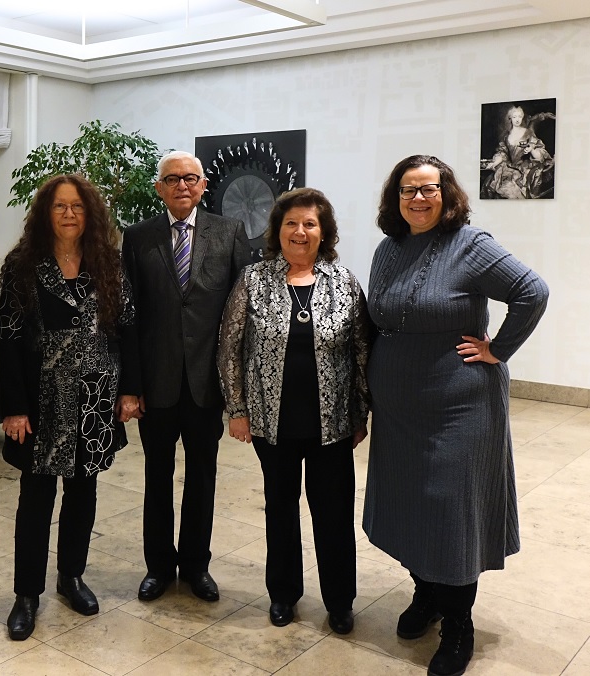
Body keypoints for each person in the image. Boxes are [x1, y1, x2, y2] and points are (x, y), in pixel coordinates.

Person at [363, 155, 549, 676]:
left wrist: (499, 348)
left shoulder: (471, 245)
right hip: (400, 409)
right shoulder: (388, 249)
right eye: (407, 190)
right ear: (394, 198)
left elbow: (532, 291)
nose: (417, 199)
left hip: (458, 405)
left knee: (449, 508)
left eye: (428, 189)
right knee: (411, 503)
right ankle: (426, 594)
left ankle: (458, 623)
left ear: (447, 193)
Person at [217, 188, 371, 633]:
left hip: (333, 425)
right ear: (277, 230)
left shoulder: (343, 281)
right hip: (272, 423)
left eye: (309, 224)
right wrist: (237, 409)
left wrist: (361, 412)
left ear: (324, 232)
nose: (300, 232)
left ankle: (340, 601)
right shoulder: (254, 279)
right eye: (291, 223)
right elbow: (229, 347)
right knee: (280, 510)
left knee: (334, 514)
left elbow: (363, 350)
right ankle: (283, 595)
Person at [0, 174, 140, 641]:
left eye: (77, 206)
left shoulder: (109, 264)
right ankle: (26, 594)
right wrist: (14, 407)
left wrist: (129, 391)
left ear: (90, 213)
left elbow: (129, 330)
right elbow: (10, 339)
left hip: (98, 395)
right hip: (41, 398)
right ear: (45, 213)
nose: (69, 214)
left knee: (83, 492)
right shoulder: (21, 265)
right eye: (59, 206)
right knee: (35, 499)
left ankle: (71, 577)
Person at [121, 151, 250, 603]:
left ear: (202, 185)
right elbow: (128, 318)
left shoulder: (229, 232)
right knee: (156, 478)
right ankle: (158, 566)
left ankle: (196, 565)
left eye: (190, 178)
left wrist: (237, 392)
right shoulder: (137, 238)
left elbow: (240, 314)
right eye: (172, 179)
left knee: (202, 477)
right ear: (159, 187)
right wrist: (129, 387)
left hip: (204, 384)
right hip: (155, 385)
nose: (181, 186)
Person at [481, 105, 555, 199]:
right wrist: (495, 162)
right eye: (514, 117)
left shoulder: (528, 133)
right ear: (510, 118)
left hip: (524, 168)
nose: (517, 119)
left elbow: (540, 152)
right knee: (491, 183)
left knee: (513, 185)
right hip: (508, 167)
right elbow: (502, 153)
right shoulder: (506, 136)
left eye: (520, 117)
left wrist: (531, 149)